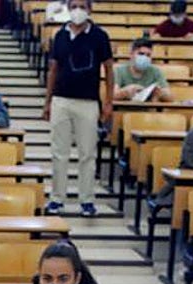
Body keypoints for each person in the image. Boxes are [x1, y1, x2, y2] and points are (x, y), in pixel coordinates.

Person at [43, 0, 114, 217]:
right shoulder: (60, 35)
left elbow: (109, 70)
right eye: (74, 6)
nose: (78, 11)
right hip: (61, 100)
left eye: (82, 6)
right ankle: (57, 199)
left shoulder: (100, 36)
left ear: (90, 10)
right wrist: (47, 101)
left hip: (88, 102)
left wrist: (108, 102)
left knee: (87, 154)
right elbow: (53, 69)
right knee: (59, 153)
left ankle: (87, 200)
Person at [113, 38, 172, 103]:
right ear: (131, 54)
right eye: (141, 54)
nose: (145, 57)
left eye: (148, 55)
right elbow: (112, 95)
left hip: (148, 109)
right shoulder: (119, 71)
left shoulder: (156, 71)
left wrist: (160, 93)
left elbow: (170, 97)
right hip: (125, 109)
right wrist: (125, 91)